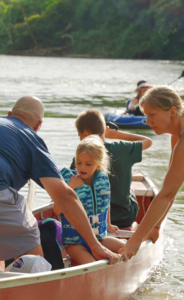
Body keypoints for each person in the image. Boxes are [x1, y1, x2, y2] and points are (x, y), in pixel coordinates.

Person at [0, 96, 120, 269]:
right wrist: (95, 245)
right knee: (29, 236)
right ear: (38, 125)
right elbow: (64, 196)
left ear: (10, 114)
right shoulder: (30, 138)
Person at [120, 85, 184, 261]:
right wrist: (155, 227)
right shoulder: (180, 133)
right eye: (146, 115)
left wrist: (136, 239)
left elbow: (167, 194)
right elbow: (170, 190)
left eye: (152, 115)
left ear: (172, 111)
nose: (148, 121)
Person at [70, 109, 152, 228]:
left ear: (86, 134)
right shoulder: (123, 148)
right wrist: (114, 134)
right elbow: (148, 141)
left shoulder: (80, 159)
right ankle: (133, 226)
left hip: (91, 217)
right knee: (130, 187)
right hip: (124, 217)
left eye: (80, 136)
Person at [54, 135, 125, 265]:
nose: (82, 168)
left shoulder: (102, 180)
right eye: (79, 162)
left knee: (127, 247)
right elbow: (56, 210)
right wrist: (70, 187)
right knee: (92, 264)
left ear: (99, 165)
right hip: (75, 243)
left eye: (88, 164)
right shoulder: (68, 181)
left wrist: (108, 224)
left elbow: (105, 202)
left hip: (99, 238)